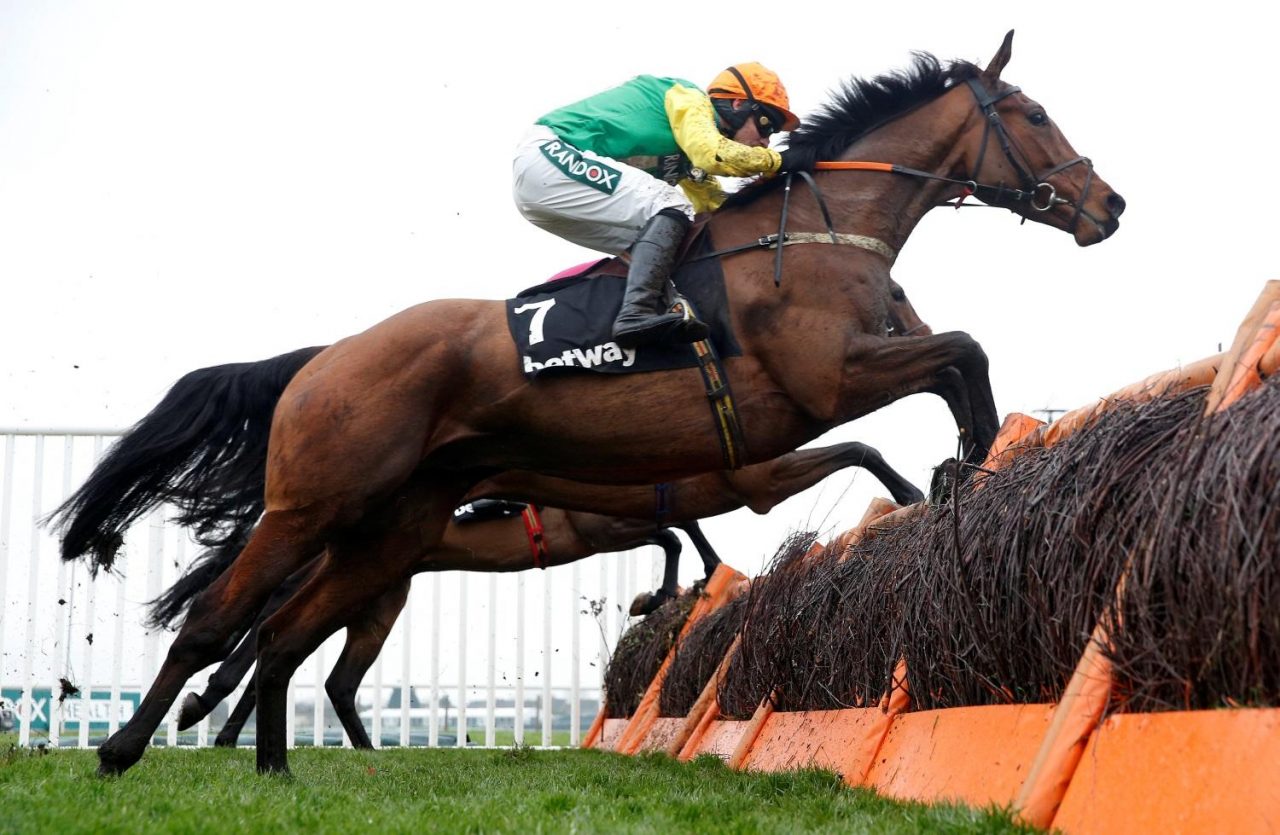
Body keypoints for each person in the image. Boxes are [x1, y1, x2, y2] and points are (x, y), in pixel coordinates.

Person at [512, 63, 801, 348]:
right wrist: (780, 162)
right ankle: (635, 314)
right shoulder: (688, 97)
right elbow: (712, 154)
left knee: (669, 243)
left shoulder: (688, 153)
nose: (766, 141)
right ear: (738, 104)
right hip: (550, 155)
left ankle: (636, 322)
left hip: (545, 198)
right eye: (766, 124)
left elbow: (713, 207)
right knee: (671, 204)